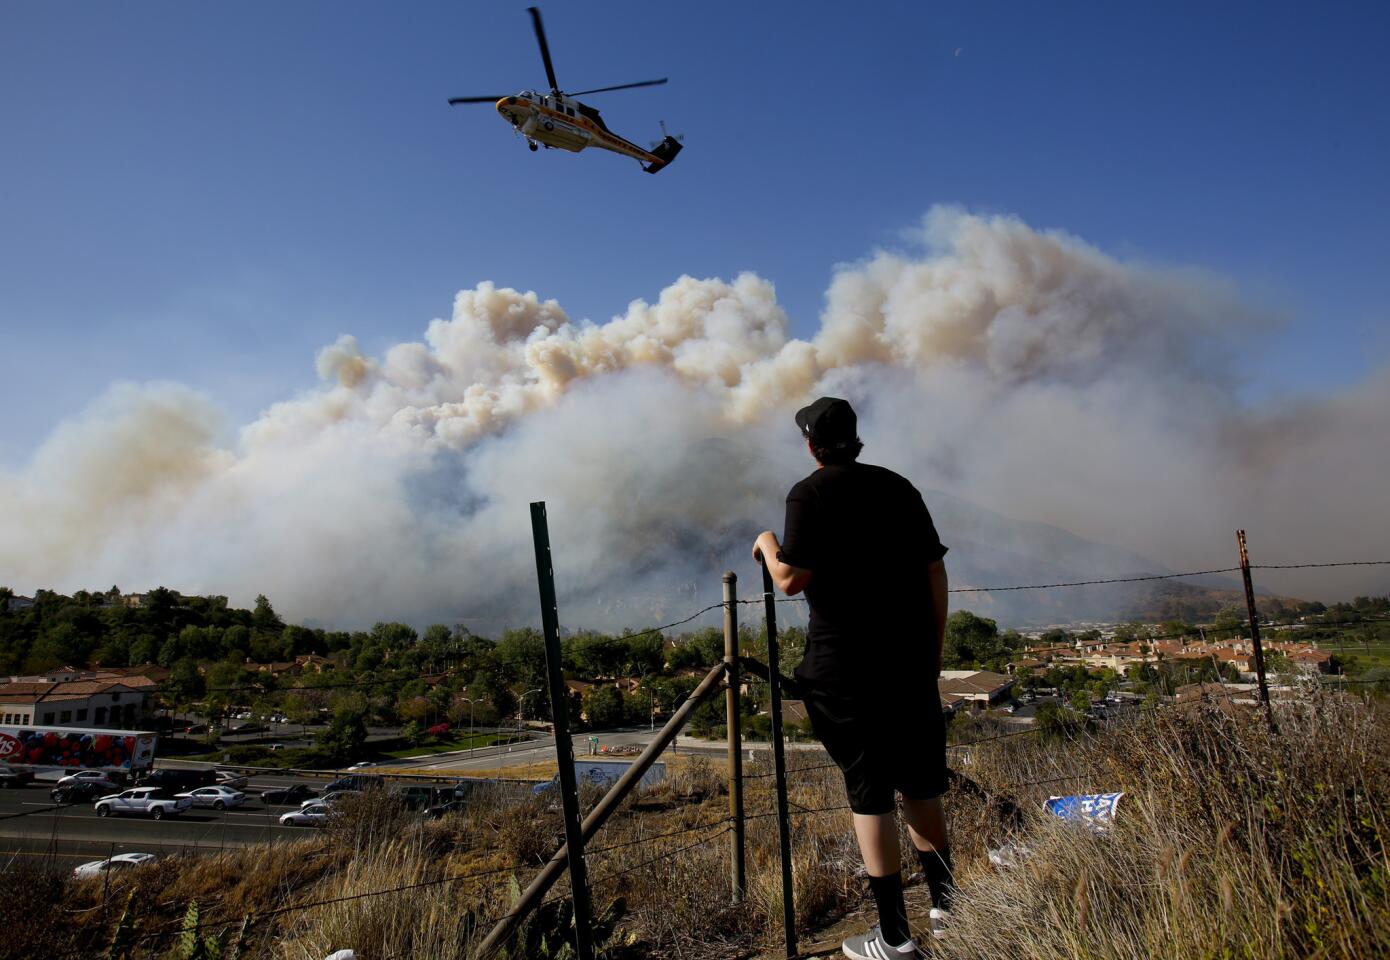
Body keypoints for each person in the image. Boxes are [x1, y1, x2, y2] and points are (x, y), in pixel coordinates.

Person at [752, 396, 955, 959]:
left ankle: (893, 937)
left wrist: (768, 543)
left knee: (871, 794)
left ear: (810, 445)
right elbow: (934, 570)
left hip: (846, 671)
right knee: (920, 784)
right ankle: (948, 909)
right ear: (855, 437)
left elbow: (790, 579)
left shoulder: (809, 493)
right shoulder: (898, 487)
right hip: (910, 665)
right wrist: (931, 653)